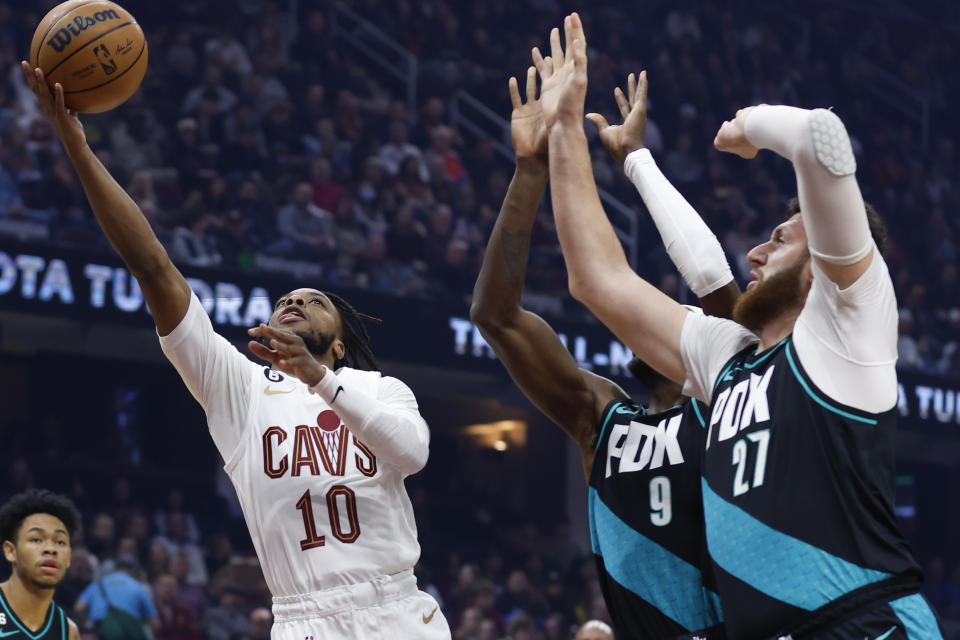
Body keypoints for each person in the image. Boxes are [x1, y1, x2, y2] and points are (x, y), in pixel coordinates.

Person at [535, 13, 943, 639]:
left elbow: (820, 137)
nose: (753, 254)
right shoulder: (728, 357)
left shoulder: (850, 330)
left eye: (778, 241)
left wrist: (746, 127)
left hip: (866, 624)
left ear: (820, 270)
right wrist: (564, 128)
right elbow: (598, 280)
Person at [22, 62, 450, 640]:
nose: (295, 301)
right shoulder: (241, 388)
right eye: (286, 299)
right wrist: (78, 148)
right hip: (301, 616)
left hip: (395, 609)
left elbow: (412, 454)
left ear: (341, 343)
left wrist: (320, 380)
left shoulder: (380, 389)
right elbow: (154, 268)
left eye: (314, 300)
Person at [471, 62, 737, 638]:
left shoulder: (729, 407)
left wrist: (635, 160)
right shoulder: (604, 418)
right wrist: (529, 172)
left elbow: (721, 299)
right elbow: (496, 318)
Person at [0, 489, 81, 639]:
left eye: (60, 542)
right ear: (10, 551)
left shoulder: (68, 631)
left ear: (69, 557)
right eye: (36, 539)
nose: (51, 549)